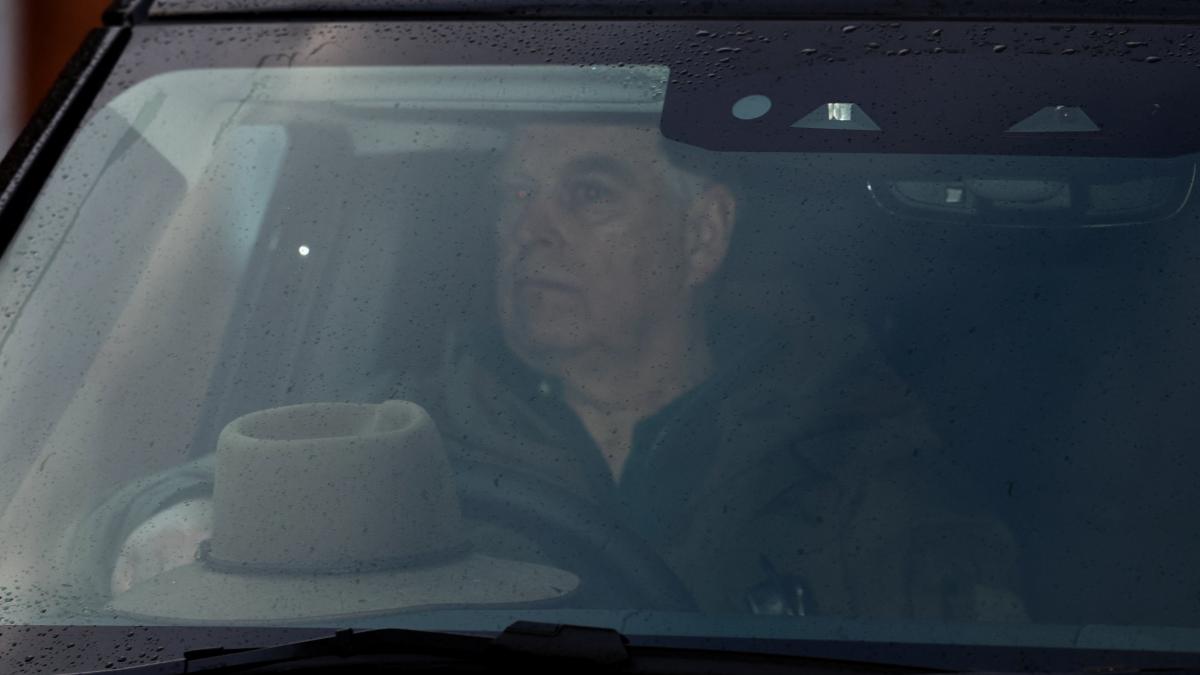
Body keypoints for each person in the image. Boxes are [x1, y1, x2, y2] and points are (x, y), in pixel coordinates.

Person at [87, 119, 1025, 620]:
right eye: (517, 196)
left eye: (589, 193)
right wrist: (172, 511)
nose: (531, 230)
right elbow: (171, 501)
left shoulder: (855, 457)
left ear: (702, 235)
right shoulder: (417, 429)